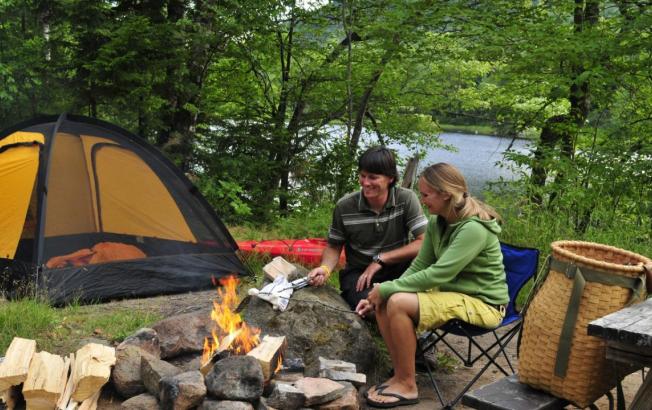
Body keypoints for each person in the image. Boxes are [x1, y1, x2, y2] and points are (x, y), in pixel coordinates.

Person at [358, 162, 509, 408]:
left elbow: (439, 273)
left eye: (425, 194)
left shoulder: (474, 228)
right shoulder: (438, 222)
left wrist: (387, 288)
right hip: (452, 294)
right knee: (389, 297)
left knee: (396, 300)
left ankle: (407, 385)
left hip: (485, 304)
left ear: (445, 194)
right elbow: (420, 266)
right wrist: (384, 290)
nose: (421, 199)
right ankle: (399, 375)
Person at [307, 146, 428, 310]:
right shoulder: (345, 207)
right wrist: (325, 268)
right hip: (359, 273)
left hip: (400, 268)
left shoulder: (406, 199)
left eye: (373, 177)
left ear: (390, 178)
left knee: (409, 300)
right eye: (362, 176)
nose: (365, 182)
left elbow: (424, 242)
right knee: (370, 305)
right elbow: (334, 246)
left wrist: (381, 259)